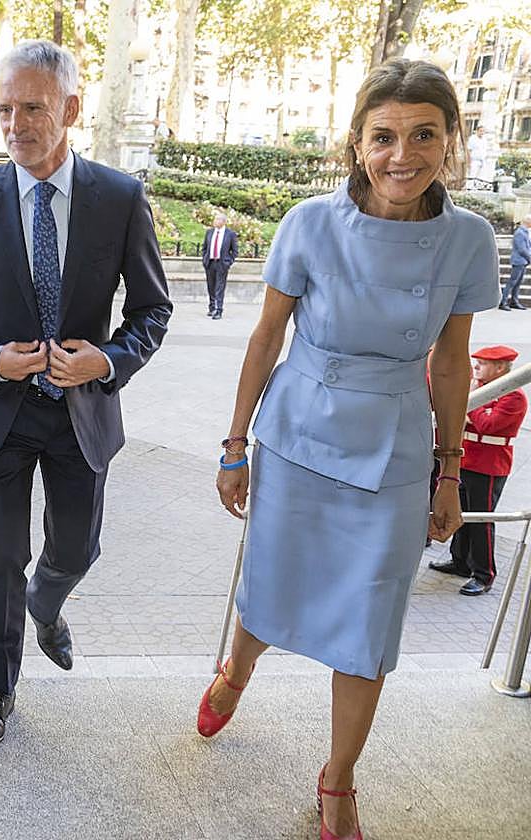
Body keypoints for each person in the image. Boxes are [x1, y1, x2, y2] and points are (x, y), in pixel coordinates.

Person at [206, 59, 496, 840]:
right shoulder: (309, 222)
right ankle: (237, 668)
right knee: (273, 583)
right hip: (300, 433)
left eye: (423, 135)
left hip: (396, 449)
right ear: (357, 143)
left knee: (371, 620)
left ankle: (339, 778)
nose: (403, 154)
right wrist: (235, 444)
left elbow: (449, 361)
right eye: (384, 137)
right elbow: (266, 337)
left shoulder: (469, 240)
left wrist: (447, 471)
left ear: (450, 141)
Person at [0, 40, 172, 749]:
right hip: (0, 417)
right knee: (0, 556)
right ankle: (0, 691)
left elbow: (152, 311)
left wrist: (106, 360)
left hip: (80, 418)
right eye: (4, 109)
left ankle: (49, 600)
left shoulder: (120, 198)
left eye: (31, 108)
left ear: (69, 109)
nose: (15, 124)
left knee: (77, 548)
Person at [431, 345, 527, 595]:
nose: (475, 368)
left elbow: (488, 424)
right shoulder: (483, 391)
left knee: (481, 521)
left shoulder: (513, 397)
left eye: (482, 364)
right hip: (467, 461)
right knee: (460, 516)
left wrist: (470, 404)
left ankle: (484, 574)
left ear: (500, 368)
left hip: (488, 466)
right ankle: (460, 561)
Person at [201, 211, 238, 319]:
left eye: (217, 219)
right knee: (210, 286)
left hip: (222, 264)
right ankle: (212, 307)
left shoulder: (230, 234)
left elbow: (235, 251)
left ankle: (219, 310)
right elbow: (204, 248)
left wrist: (228, 262)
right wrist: (204, 259)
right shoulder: (209, 232)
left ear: (223, 221)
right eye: (215, 219)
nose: (215, 221)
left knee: (220, 287)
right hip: (210, 263)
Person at [500, 214, 531, 310]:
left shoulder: (525, 232)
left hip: (523, 261)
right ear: (528, 222)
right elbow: (521, 249)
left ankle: (514, 301)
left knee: (517, 283)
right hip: (518, 261)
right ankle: (503, 302)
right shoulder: (520, 233)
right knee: (512, 282)